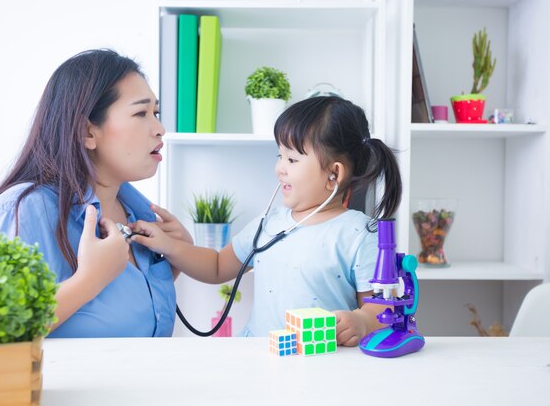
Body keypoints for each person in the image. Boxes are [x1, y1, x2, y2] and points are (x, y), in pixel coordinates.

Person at [0, 49, 193, 376]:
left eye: (157, 112)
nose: (160, 128)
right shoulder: (24, 212)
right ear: (87, 132)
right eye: (141, 114)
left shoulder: (144, 219)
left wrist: (171, 266)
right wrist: (86, 282)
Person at [130, 96, 402, 345]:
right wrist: (169, 246)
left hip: (321, 362)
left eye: (292, 159)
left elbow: (380, 308)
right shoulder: (268, 223)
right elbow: (216, 267)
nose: (279, 168)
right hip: (259, 355)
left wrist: (362, 321)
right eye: (279, 155)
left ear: (334, 173)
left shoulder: (359, 234)